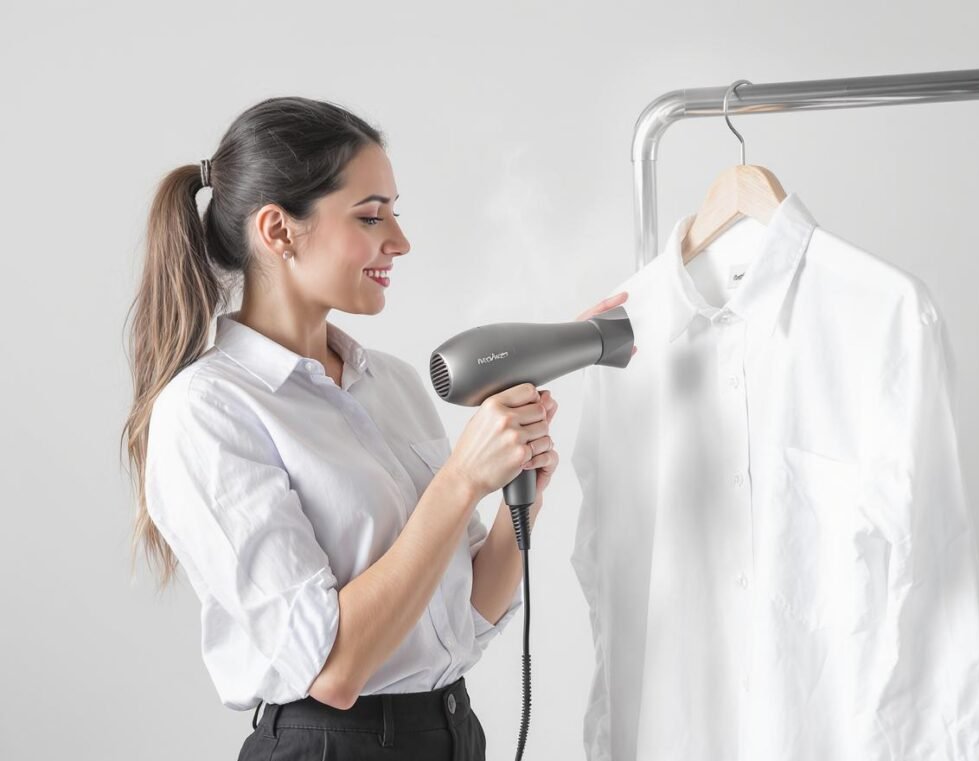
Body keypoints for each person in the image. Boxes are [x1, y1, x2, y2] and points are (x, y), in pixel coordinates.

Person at [121, 95, 632, 760]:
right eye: (371, 215)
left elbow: (469, 609)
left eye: (395, 210)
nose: (400, 239)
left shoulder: (389, 382)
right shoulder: (209, 410)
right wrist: (460, 480)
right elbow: (332, 669)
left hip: (452, 732)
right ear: (278, 231)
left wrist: (519, 480)